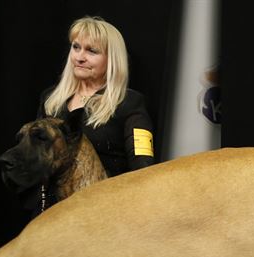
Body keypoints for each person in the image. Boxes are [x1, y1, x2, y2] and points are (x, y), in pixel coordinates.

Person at [17, 16, 155, 213]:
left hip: (104, 213)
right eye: (76, 47)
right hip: (51, 213)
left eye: (92, 51)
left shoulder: (129, 103)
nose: (80, 57)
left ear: (112, 60)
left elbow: (143, 170)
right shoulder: (50, 99)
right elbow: (35, 159)